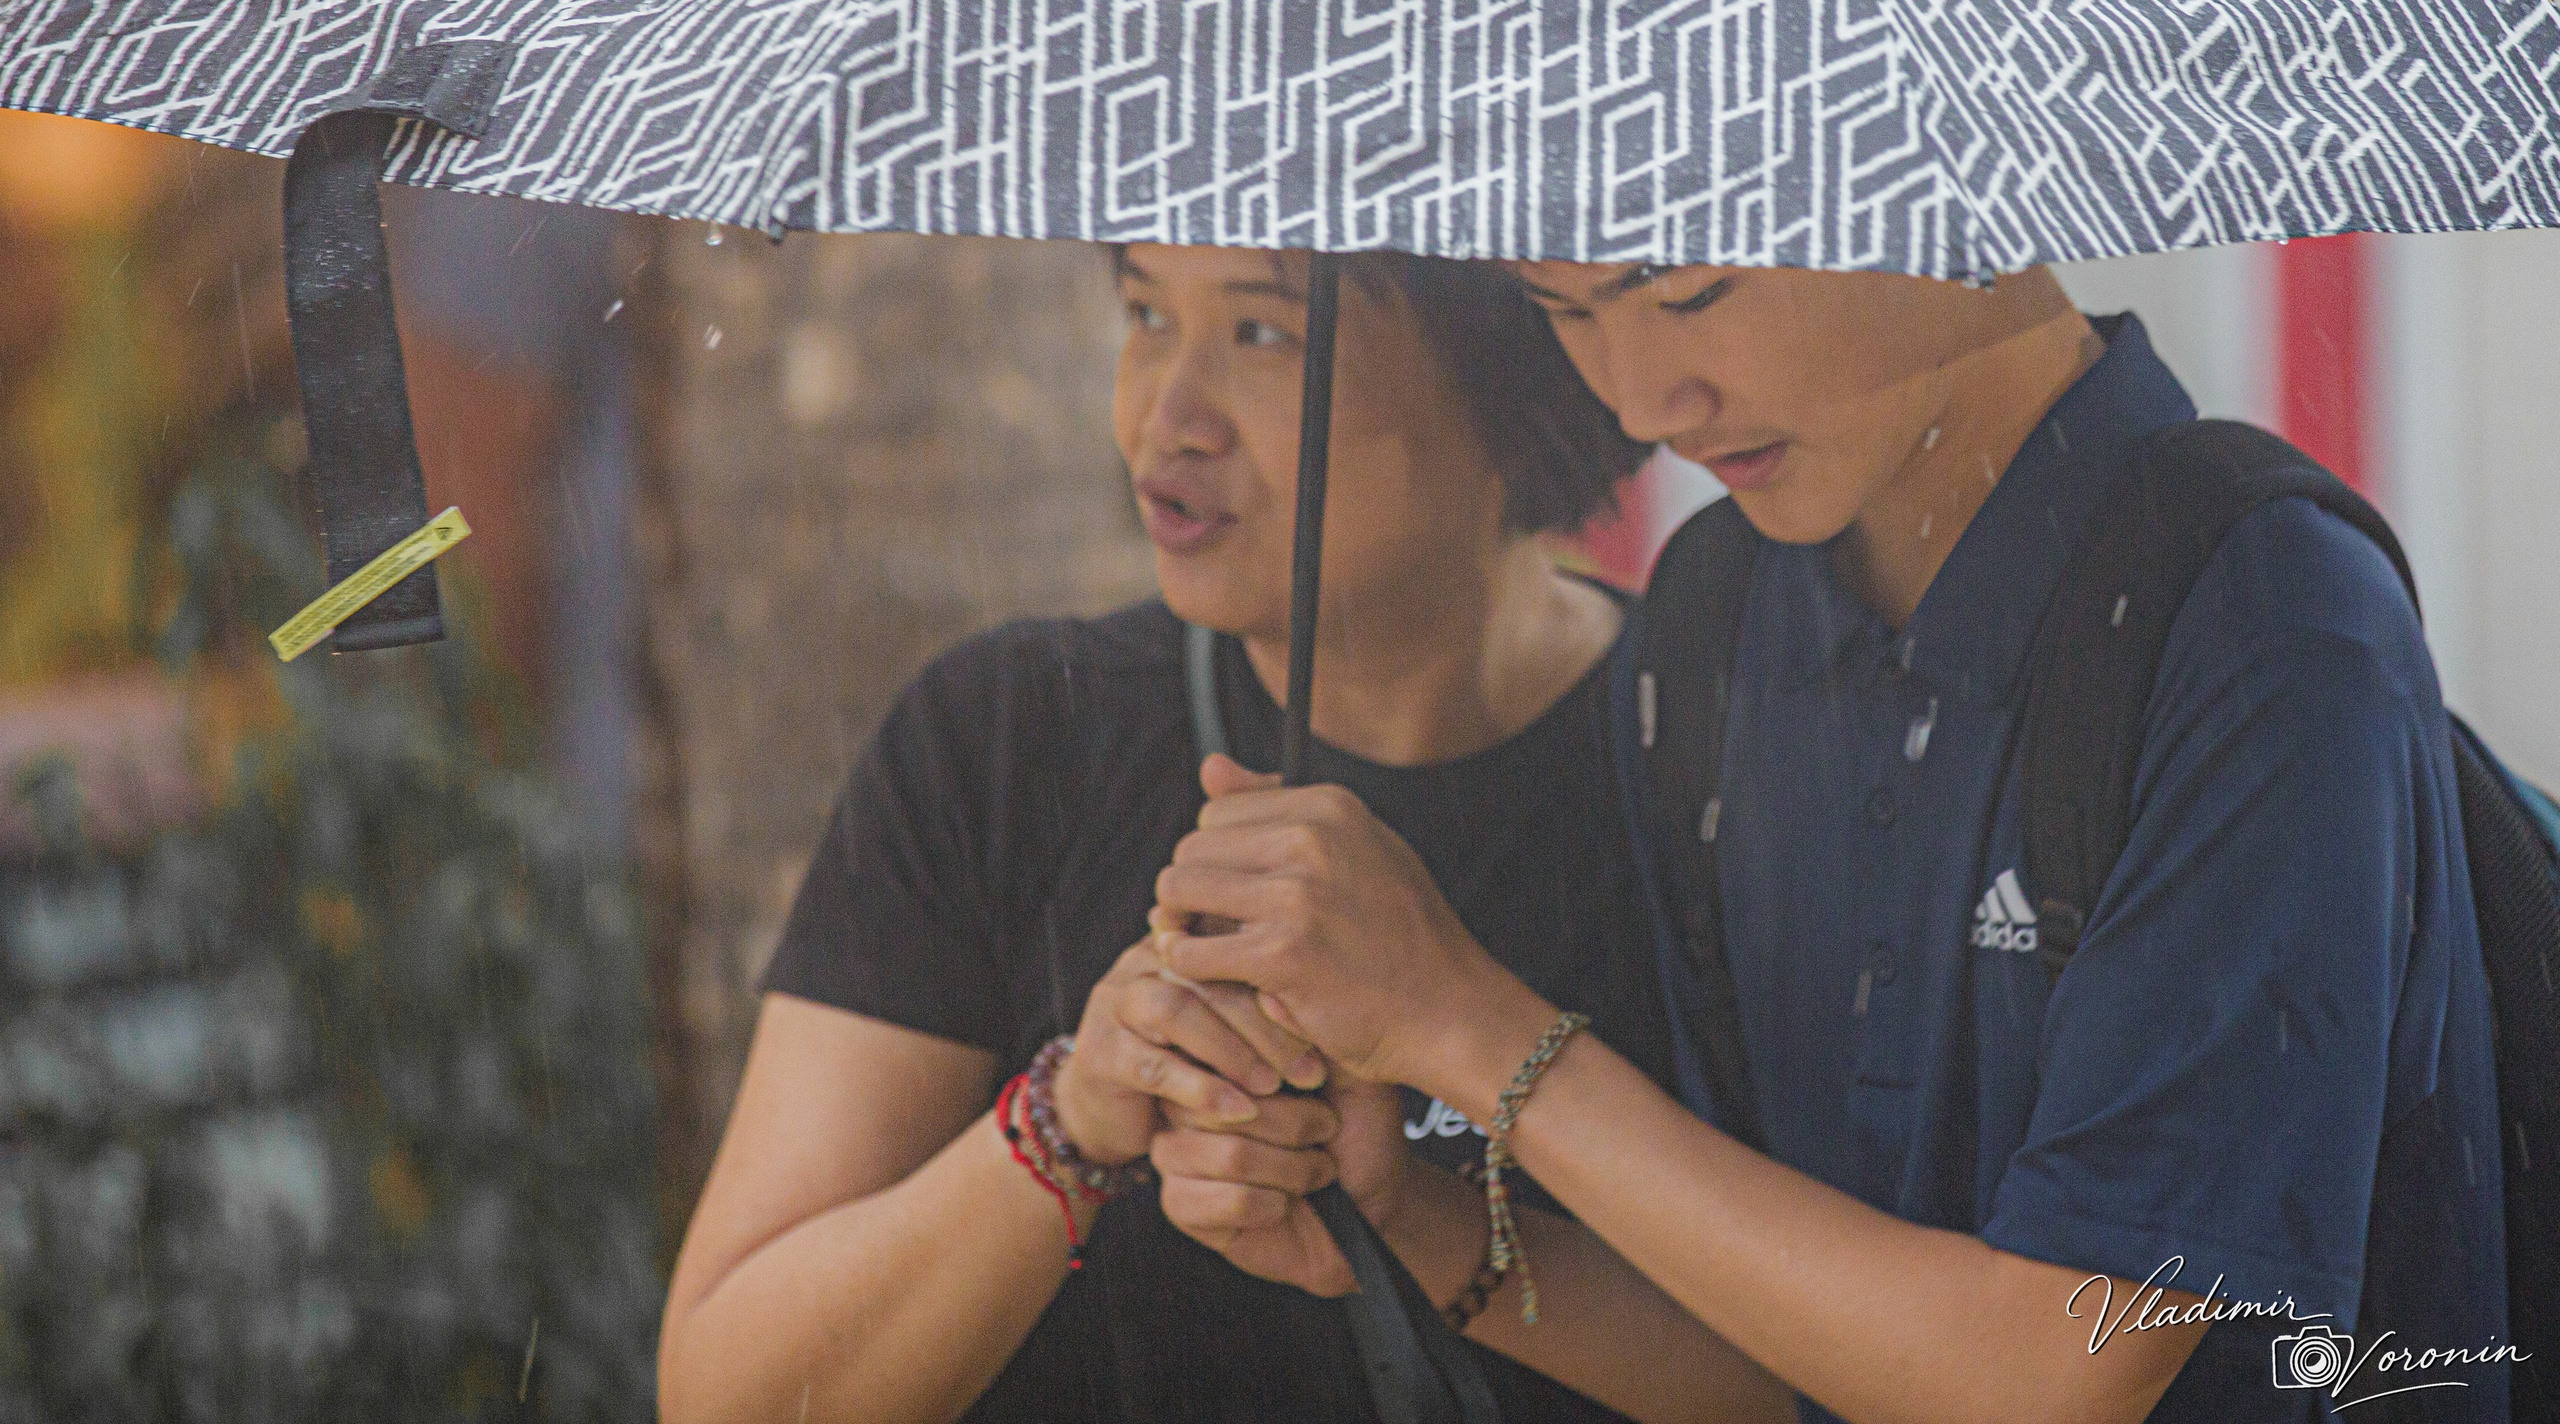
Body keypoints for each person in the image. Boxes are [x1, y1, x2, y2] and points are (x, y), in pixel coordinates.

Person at [1150, 262, 2507, 1424]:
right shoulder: (1713, 616)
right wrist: (1400, 1212)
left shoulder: (2263, 617)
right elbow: (1778, 1363)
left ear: (1952, 194)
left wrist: (1462, 1023)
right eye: (1564, 308)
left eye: (1689, 293)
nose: (1640, 400)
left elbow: (2053, 1374)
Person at [657, 242, 1687, 1424]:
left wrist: (1442, 1097)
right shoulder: (1010, 739)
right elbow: (727, 1389)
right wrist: (1076, 1118)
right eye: (1145, 311)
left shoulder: (1713, 757)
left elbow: (1816, 1376)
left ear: (1519, 372)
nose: (1165, 413)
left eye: (1263, 334)